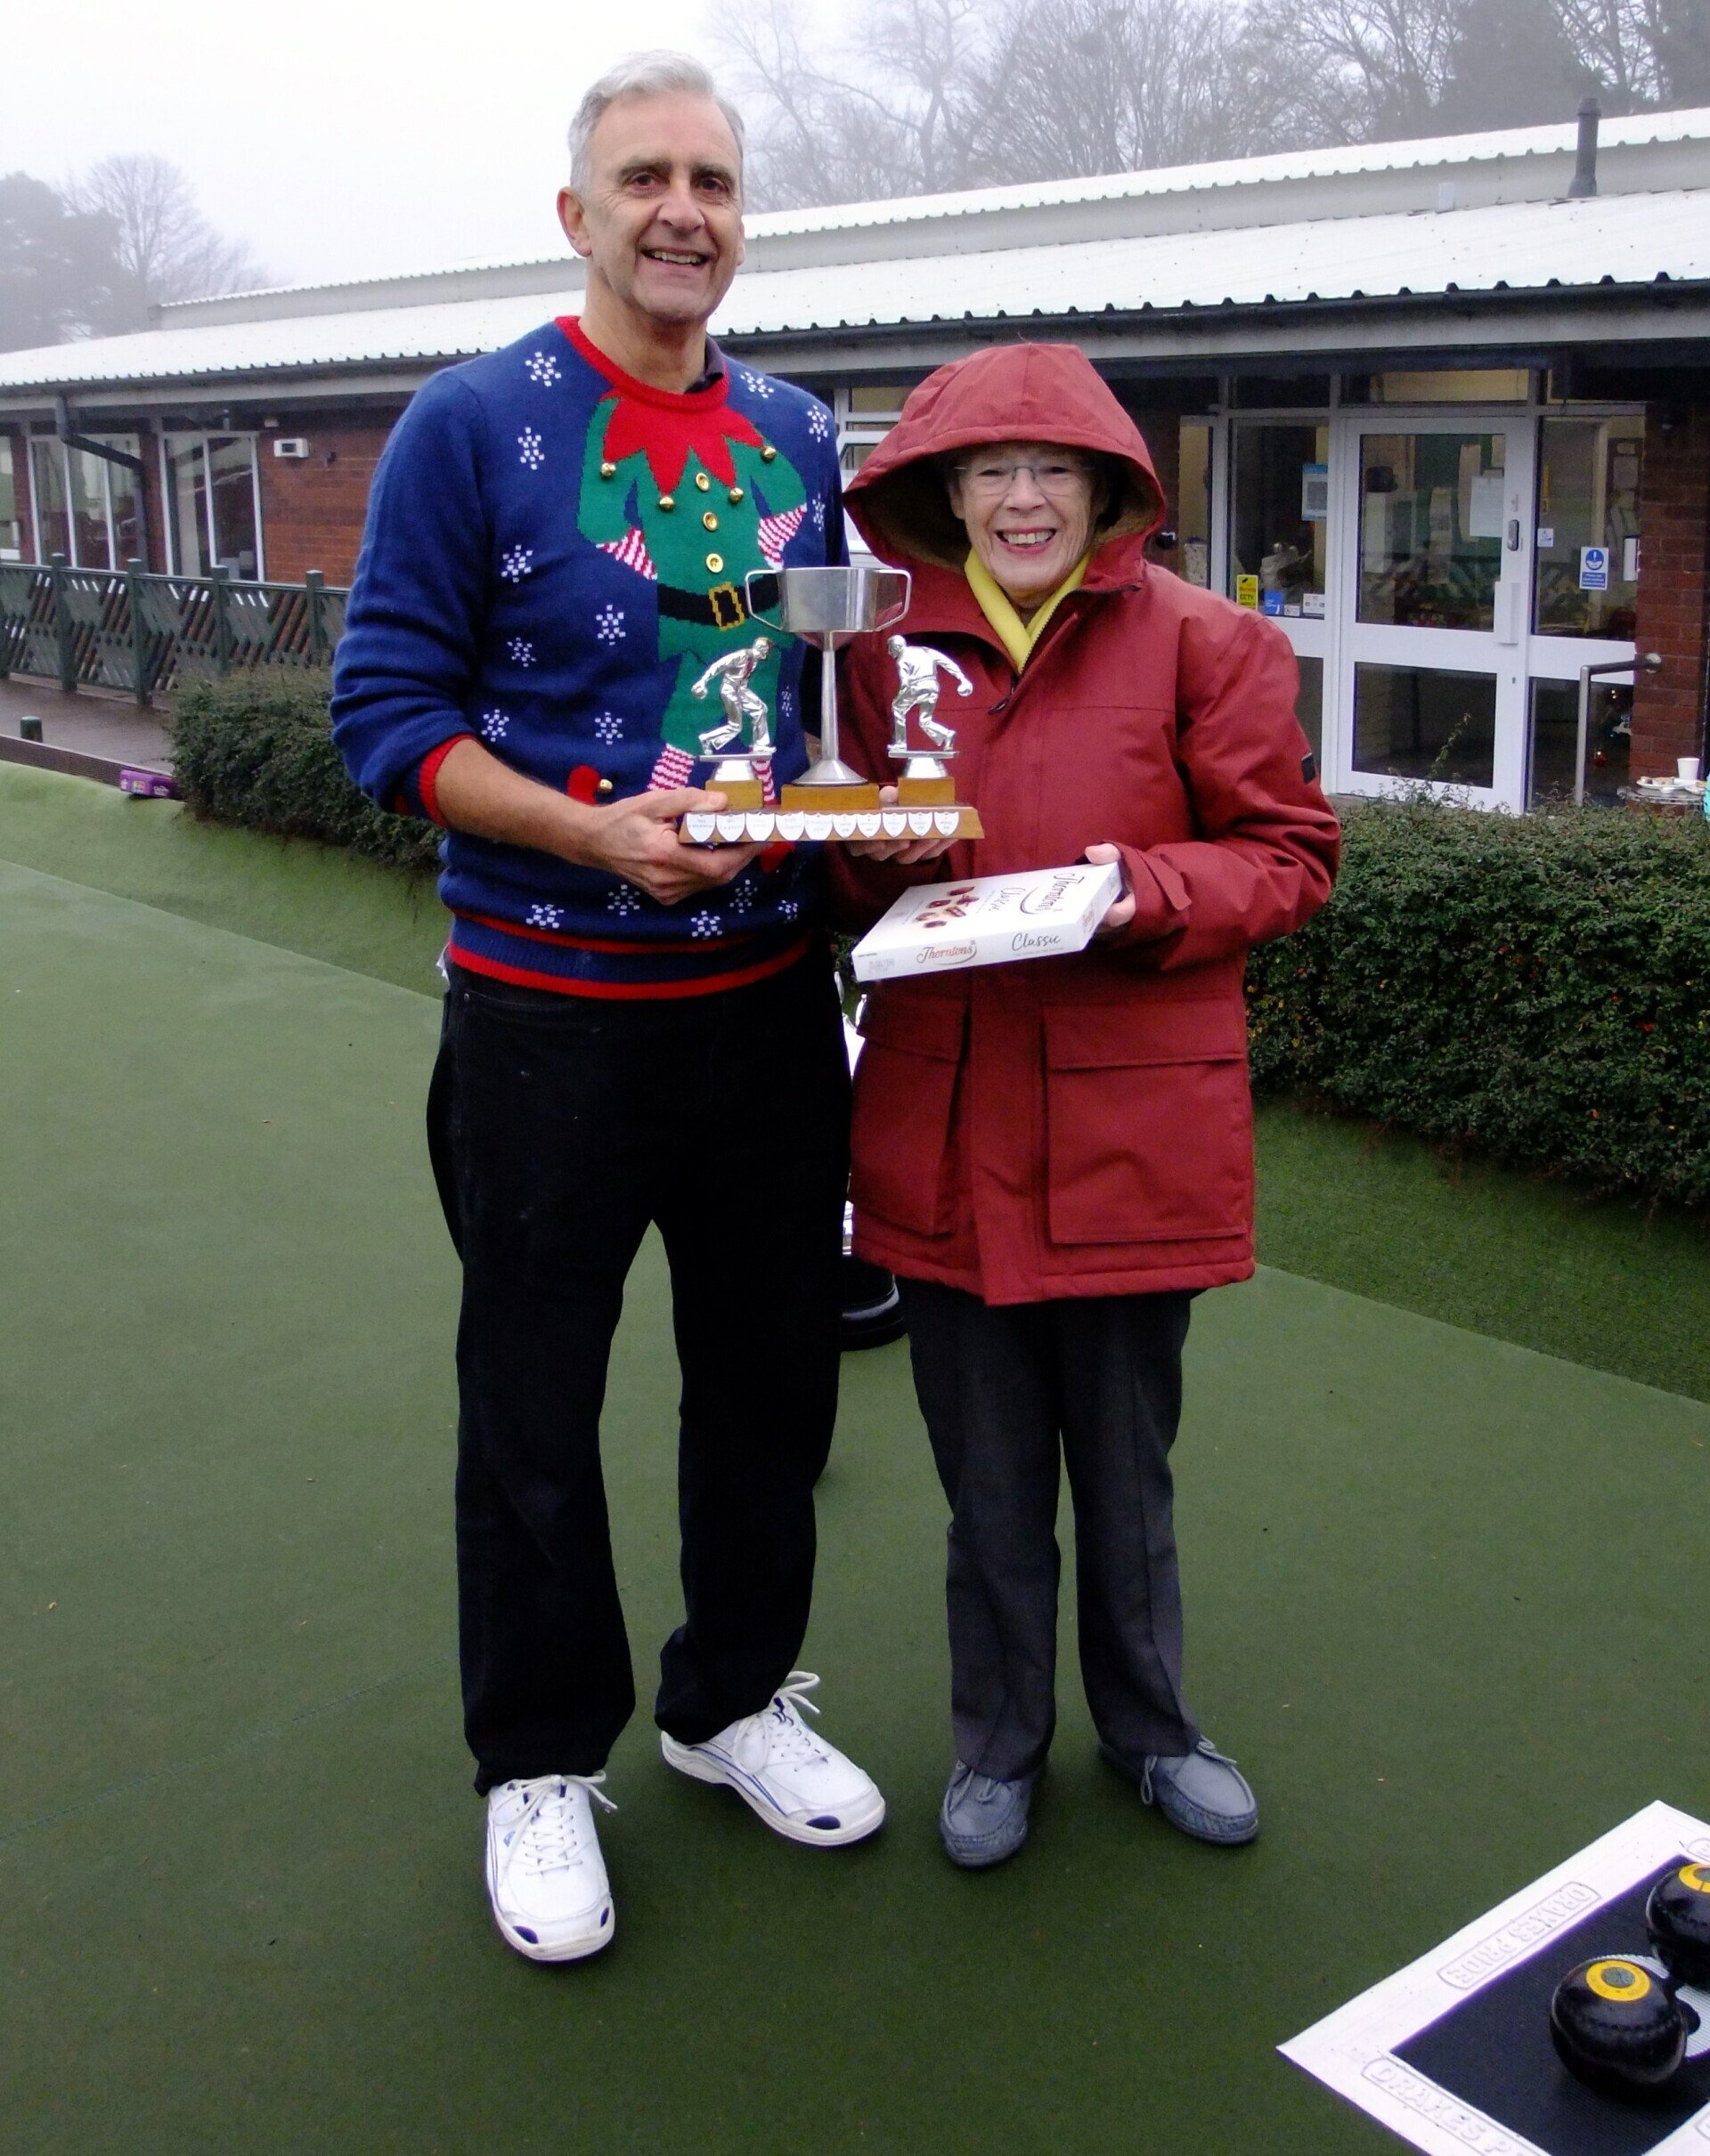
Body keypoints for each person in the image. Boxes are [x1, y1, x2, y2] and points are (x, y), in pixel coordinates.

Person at [331, 51, 883, 1966]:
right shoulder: (471, 426)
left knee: (771, 1383)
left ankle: (731, 1699)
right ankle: (539, 1760)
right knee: (533, 1405)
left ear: (741, 221)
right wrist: (588, 828)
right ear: (576, 213)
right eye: (644, 175)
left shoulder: (805, 432)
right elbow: (383, 720)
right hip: (546, 1014)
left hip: (765, 1005)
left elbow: (819, 708)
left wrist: (872, 834)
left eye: (714, 181)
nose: (683, 210)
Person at [832, 344, 1340, 1869]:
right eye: (991, 470)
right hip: (943, 1117)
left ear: (1113, 490)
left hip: (1131, 1132)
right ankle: (998, 1744)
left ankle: (1153, 1730)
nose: (1024, 498)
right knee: (985, 1486)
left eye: (1056, 469)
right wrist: (875, 861)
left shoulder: (1210, 644)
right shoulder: (875, 658)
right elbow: (848, 863)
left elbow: (1291, 855)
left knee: (1126, 1474)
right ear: (944, 494)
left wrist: (1135, 887)